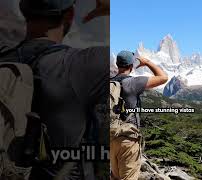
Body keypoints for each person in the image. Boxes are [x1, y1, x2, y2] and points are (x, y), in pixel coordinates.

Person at [0, 0, 109, 179]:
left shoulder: (4, 62)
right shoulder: (79, 66)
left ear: (23, 11)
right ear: (70, 15)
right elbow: (127, 64)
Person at [110, 51, 168, 180]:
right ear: (131, 66)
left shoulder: (109, 84)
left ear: (117, 64)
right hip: (128, 140)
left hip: (110, 138)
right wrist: (146, 62)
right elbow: (163, 77)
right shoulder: (133, 83)